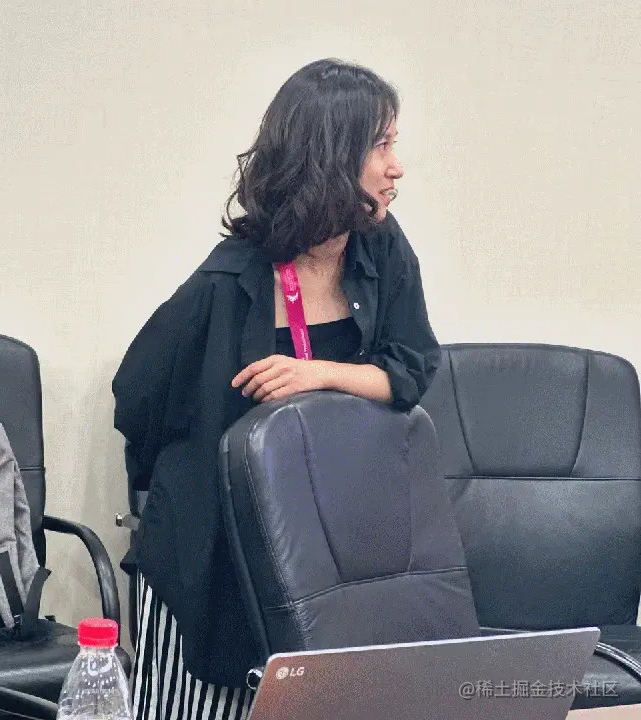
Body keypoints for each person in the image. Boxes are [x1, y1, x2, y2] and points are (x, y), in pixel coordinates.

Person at [112, 58, 440, 720]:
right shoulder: (226, 282)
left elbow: (413, 369)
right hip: (214, 556)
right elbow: (138, 398)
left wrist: (320, 375)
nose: (397, 166)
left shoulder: (381, 250)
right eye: (381, 146)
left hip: (327, 548)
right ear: (332, 156)